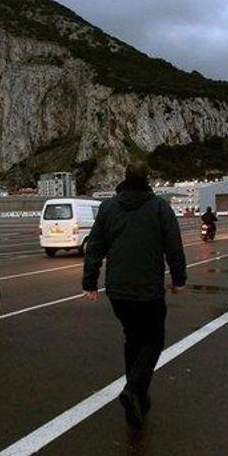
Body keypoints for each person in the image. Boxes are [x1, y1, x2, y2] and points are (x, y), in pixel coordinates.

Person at [82, 162, 187, 427]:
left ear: (125, 179)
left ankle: (137, 400)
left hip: (118, 291)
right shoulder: (160, 208)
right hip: (148, 290)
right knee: (153, 340)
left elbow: (94, 247)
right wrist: (179, 279)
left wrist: (90, 283)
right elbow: (173, 245)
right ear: (147, 179)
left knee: (133, 339)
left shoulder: (108, 208)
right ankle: (134, 389)